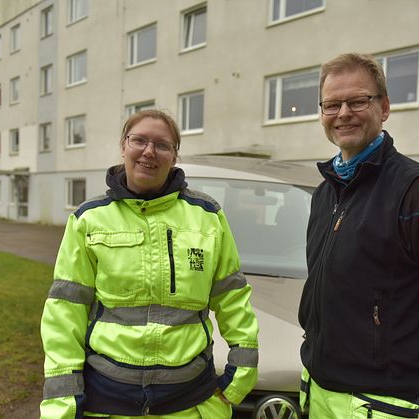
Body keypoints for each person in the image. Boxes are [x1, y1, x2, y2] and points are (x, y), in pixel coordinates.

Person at [40, 109, 259, 418]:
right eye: (139, 140)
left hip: (189, 401)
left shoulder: (207, 216)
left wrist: (240, 376)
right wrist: (63, 401)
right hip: (107, 400)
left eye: (162, 145)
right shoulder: (89, 219)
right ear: (123, 146)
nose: (149, 152)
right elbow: (65, 310)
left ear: (174, 156)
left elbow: (232, 296)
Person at [298, 53, 419, 418]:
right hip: (318, 388)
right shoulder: (324, 193)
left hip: (381, 402)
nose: (343, 112)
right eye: (332, 104)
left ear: (384, 108)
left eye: (358, 101)